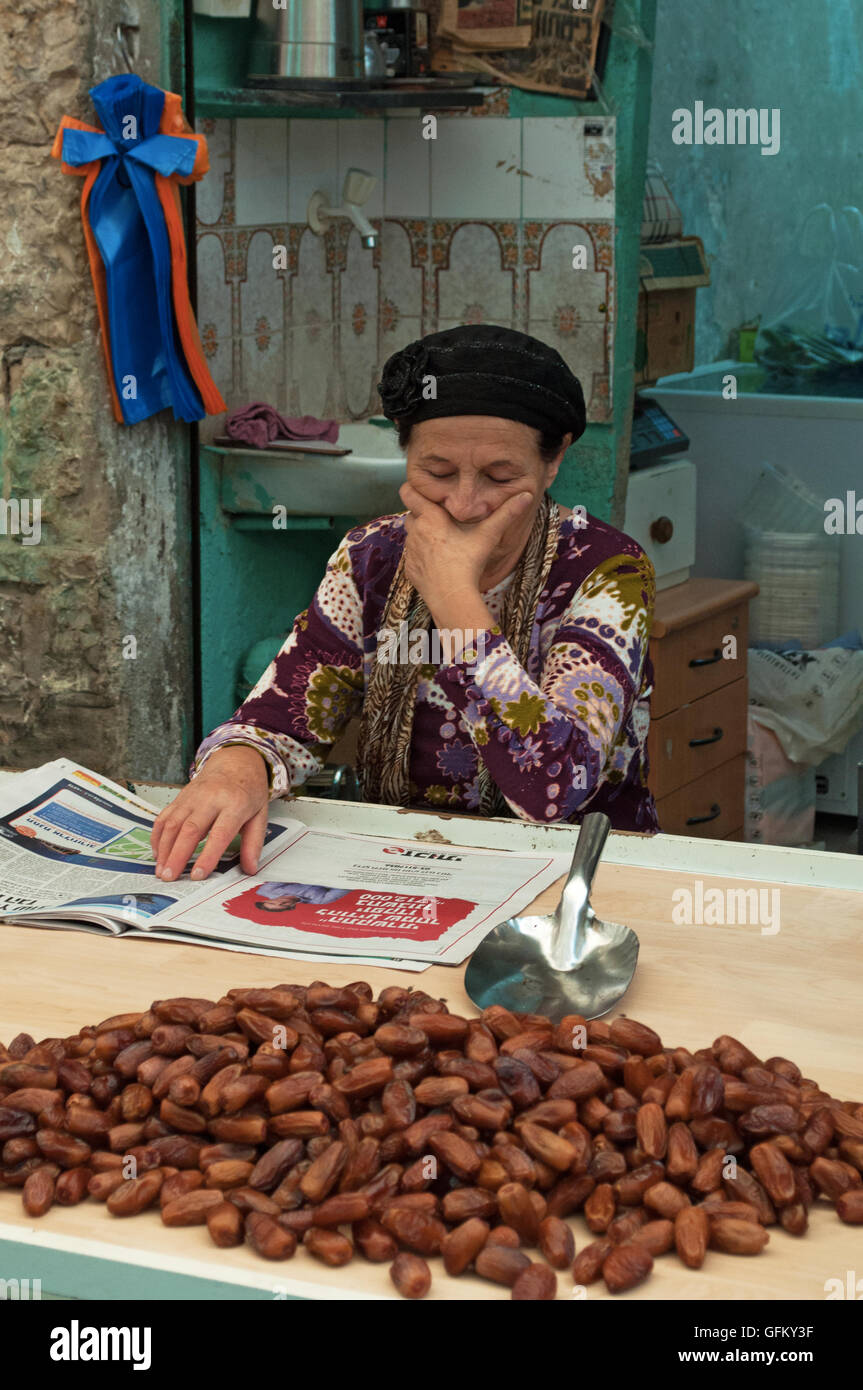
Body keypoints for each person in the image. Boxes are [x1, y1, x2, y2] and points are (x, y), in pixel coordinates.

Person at [151, 325, 658, 884]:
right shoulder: (372, 558)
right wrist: (238, 766)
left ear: (554, 458)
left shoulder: (607, 572)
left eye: (500, 476)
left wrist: (452, 597)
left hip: (578, 876)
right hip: (405, 862)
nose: (465, 505)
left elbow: (554, 789)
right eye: (437, 473)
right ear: (404, 447)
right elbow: (282, 717)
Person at [253, 882, 349, 912]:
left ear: (265, 899)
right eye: (283, 905)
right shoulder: (319, 901)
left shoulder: (266, 890)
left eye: (272, 902)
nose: (281, 901)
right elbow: (343, 887)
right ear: (291, 907)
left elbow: (283, 875)